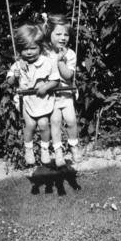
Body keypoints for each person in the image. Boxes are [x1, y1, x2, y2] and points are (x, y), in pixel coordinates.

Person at [7, 24, 59, 166]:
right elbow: (10, 82)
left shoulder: (47, 62)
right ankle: (28, 149)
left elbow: (55, 81)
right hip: (26, 99)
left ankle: (44, 149)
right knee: (29, 124)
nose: (29, 52)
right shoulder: (18, 64)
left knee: (43, 124)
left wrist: (46, 86)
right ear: (20, 49)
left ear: (40, 47)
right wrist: (15, 76)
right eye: (25, 49)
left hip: (42, 99)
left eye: (33, 48)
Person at [42, 13, 82, 167]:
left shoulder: (70, 54)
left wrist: (60, 61)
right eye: (58, 34)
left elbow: (68, 76)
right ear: (49, 34)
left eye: (66, 34)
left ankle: (73, 146)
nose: (63, 37)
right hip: (51, 97)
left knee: (71, 121)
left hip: (65, 95)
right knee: (56, 122)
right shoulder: (43, 54)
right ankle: (58, 151)